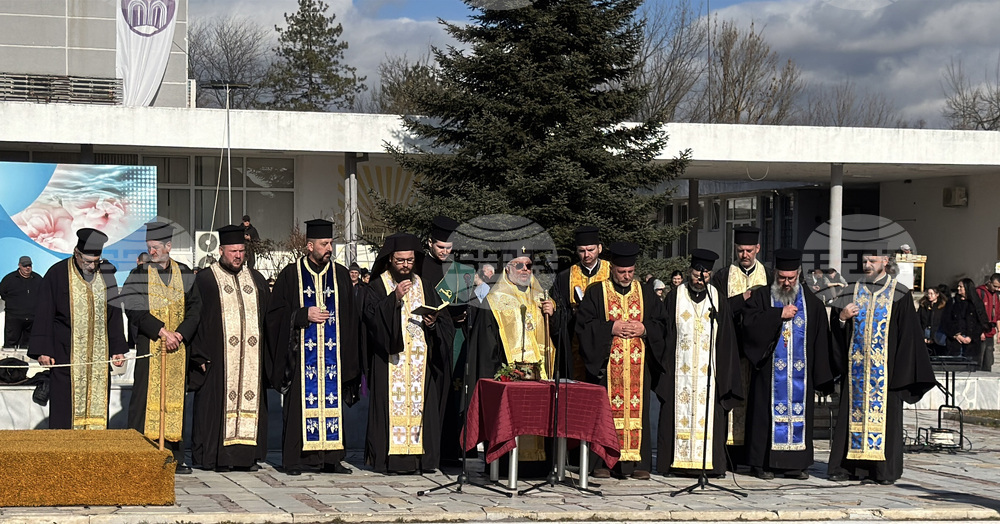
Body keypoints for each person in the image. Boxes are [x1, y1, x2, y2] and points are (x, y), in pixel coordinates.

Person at [827, 245, 936, 485]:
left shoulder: (901, 294)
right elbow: (836, 328)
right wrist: (842, 318)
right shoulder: (850, 291)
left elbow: (909, 337)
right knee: (851, 419)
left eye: (872, 259)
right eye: (864, 259)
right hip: (856, 374)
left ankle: (882, 471)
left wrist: (902, 374)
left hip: (886, 375)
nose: (867, 264)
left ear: (885, 261)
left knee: (886, 422)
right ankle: (848, 468)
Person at [265, 219, 361, 476]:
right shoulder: (290, 274)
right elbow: (274, 315)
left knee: (333, 403)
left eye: (331, 243)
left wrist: (350, 358)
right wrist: (301, 315)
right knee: (299, 407)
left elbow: (350, 318)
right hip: (300, 357)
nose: (329, 248)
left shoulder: (340, 274)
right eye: (324, 244)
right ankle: (295, 460)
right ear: (310, 246)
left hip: (332, 359)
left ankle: (331, 459)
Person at [740, 248, 836, 480]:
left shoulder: (812, 304)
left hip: (800, 379)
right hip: (768, 375)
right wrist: (776, 315)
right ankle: (762, 464)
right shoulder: (762, 297)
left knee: (800, 415)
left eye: (790, 278)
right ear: (775, 274)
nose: (786, 282)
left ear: (798, 275)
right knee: (764, 417)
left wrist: (822, 375)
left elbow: (821, 339)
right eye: (782, 277)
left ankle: (795, 465)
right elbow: (748, 325)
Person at [362, 232, 455, 474]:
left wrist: (433, 323)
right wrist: (393, 299)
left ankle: (419, 460)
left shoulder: (424, 286)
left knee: (420, 407)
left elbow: (444, 324)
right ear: (390, 259)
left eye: (410, 261)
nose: (405, 266)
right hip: (390, 363)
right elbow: (370, 323)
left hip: (419, 365)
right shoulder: (377, 286)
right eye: (400, 261)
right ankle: (388, 460)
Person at [575, 242, 666, 480]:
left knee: (639, 409)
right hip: (607, 367)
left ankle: (638, 463)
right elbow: (583, 326)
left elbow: (663, 324)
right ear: (612, 269)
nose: (626, 276)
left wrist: (644, 328)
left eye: (630, 272)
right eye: (621, 272)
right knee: (605, 411)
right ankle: (603, 462)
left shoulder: (645, 292)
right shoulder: (597, 292)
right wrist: (610, 327)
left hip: (638, 366)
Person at [468, 246, 561, 476]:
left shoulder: (543, 296)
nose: (524, 270)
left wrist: (555, 315)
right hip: (508, 378)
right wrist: (496, 378)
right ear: (507, 268)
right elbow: (487, 345)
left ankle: (539, 467)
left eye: (528, 265)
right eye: (519, 265)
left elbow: (558, 337)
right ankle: (503, 466)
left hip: (540, 379)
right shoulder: (494, 299)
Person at [121, 221, 202, 474]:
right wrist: (162, 331)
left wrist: (180, 334)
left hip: (178, 348)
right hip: (151, 347)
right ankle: (140, 453)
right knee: (144, 400)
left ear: (169, 246)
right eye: (149, 247)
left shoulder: (186, 273)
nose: (152, 252)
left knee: (176, 402)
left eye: (156, 247)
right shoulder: (139, 274)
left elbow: (195, 309)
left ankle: (173, 457)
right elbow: (133, 308)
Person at [189, 225, 271, 472]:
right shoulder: (205, 279)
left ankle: (245, 457)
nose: (238, 256)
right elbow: (196, 317)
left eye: (242, 251)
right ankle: (214, 458)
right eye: (233, 251)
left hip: (251, 362)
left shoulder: (256, 280)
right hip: (217, 359)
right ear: (221, 250)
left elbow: (269, 318)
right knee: (213, 410)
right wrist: (199, 354)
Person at [654, 248, 742, 477]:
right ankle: (674, 464)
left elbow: (726, 341)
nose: (700, 280)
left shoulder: (717, 299)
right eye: (695, 275)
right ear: (689, 272)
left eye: (704, 276)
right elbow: (665, 334)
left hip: (708, 376)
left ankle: (710, 466)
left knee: (711, 416)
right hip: (678, 374)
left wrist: (724, 374)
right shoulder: (675, 296)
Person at [28, 229, 127, 429]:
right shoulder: (57, 273)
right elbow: (45, 312)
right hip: (66, 354)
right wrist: (44, 350)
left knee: (97, 407)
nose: (91, 266)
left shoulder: (106, 274)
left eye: (95, 262)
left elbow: (114, 313)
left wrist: (117, 347)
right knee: (65, 409)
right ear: (76, 253)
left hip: (97, 358)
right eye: (87, 261)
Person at [709, 225, 773, 465]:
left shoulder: (768, 274)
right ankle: (731, 455)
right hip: (733, 348)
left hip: (760, 352)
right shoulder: (723, 276)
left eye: (748, 250)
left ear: (757, 248)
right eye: (740, 250)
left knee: (757, 401)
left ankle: (754, 453)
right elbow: (716, 308)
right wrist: (742, 298)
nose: (744, 255)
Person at [420, 216, 475, 466]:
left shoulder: (460, 270)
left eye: (449, 248)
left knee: (454, 394)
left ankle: (452, 449)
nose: (445, 252)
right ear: (430, 243)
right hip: (425, 335)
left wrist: (467, 313)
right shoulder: (418, 265)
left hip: (455, 336)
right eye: (440, 247)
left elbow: (475, 300)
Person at [553, 226, 610, 382]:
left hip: (604, 340)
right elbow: (559, 311)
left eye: (590, 250)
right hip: (576, 340)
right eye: (582, 251)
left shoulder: (611, 272)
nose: (587, 255)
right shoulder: (565, 277)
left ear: (599, 248)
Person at [941, 277, 990, 366]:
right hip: (955, 341)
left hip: (971, 343)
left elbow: (981, 322)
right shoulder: (952, 302)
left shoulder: (976, 303)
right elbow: (946, 320)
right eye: (958, 286)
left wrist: (971, 337)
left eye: (961, 287)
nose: (958, 288)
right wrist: (956, 335)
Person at [1, 255, 43, 348]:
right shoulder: (9, 279)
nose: (27, 268)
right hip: (14, 318)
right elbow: (3, 294)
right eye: (25, 266)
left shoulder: (38, 279)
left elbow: (43, 294)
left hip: (32, 319)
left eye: (29, 265)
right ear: (19, 265)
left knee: (29, 345)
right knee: (10, 344)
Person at [974, 274, 1000, 372]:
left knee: (988, 360)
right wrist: (980, 331)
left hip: (991, 330)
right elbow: (976, 314)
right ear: (989, 282)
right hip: (981, 330)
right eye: (995, 286)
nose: (997, 289)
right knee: (979, 359)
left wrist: (999, 331)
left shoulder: (996, 295)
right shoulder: (980, 292)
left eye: (999, 287)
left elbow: (997, 315)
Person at [918, 286, 948, 357]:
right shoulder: (923, 305)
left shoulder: (942, 307)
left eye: (931, 294)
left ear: (937, 295)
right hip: (925, 331)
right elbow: (919, 319)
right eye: (928, 294)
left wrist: (932, 338)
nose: (929, 296)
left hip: (937, 334)